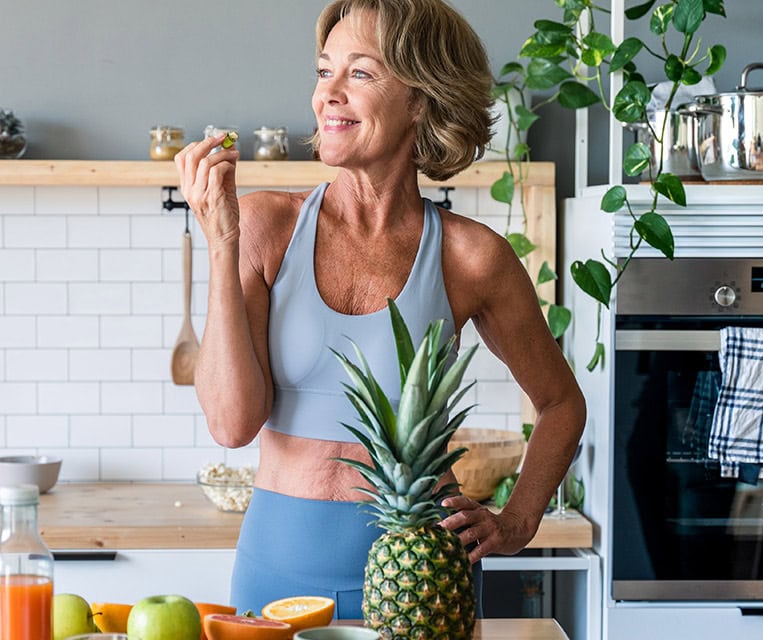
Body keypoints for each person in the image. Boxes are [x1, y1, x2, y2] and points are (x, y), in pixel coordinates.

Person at [174, 0, 586, 618]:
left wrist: (518, 519)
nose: (328, 94)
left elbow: (561, 404)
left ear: (423, 99)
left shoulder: (472, 257)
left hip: (425, 577)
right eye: (322, 71)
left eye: (360, 74)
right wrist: (222, 241)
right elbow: (232, 425)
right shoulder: (264, 227)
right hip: (279, 569)